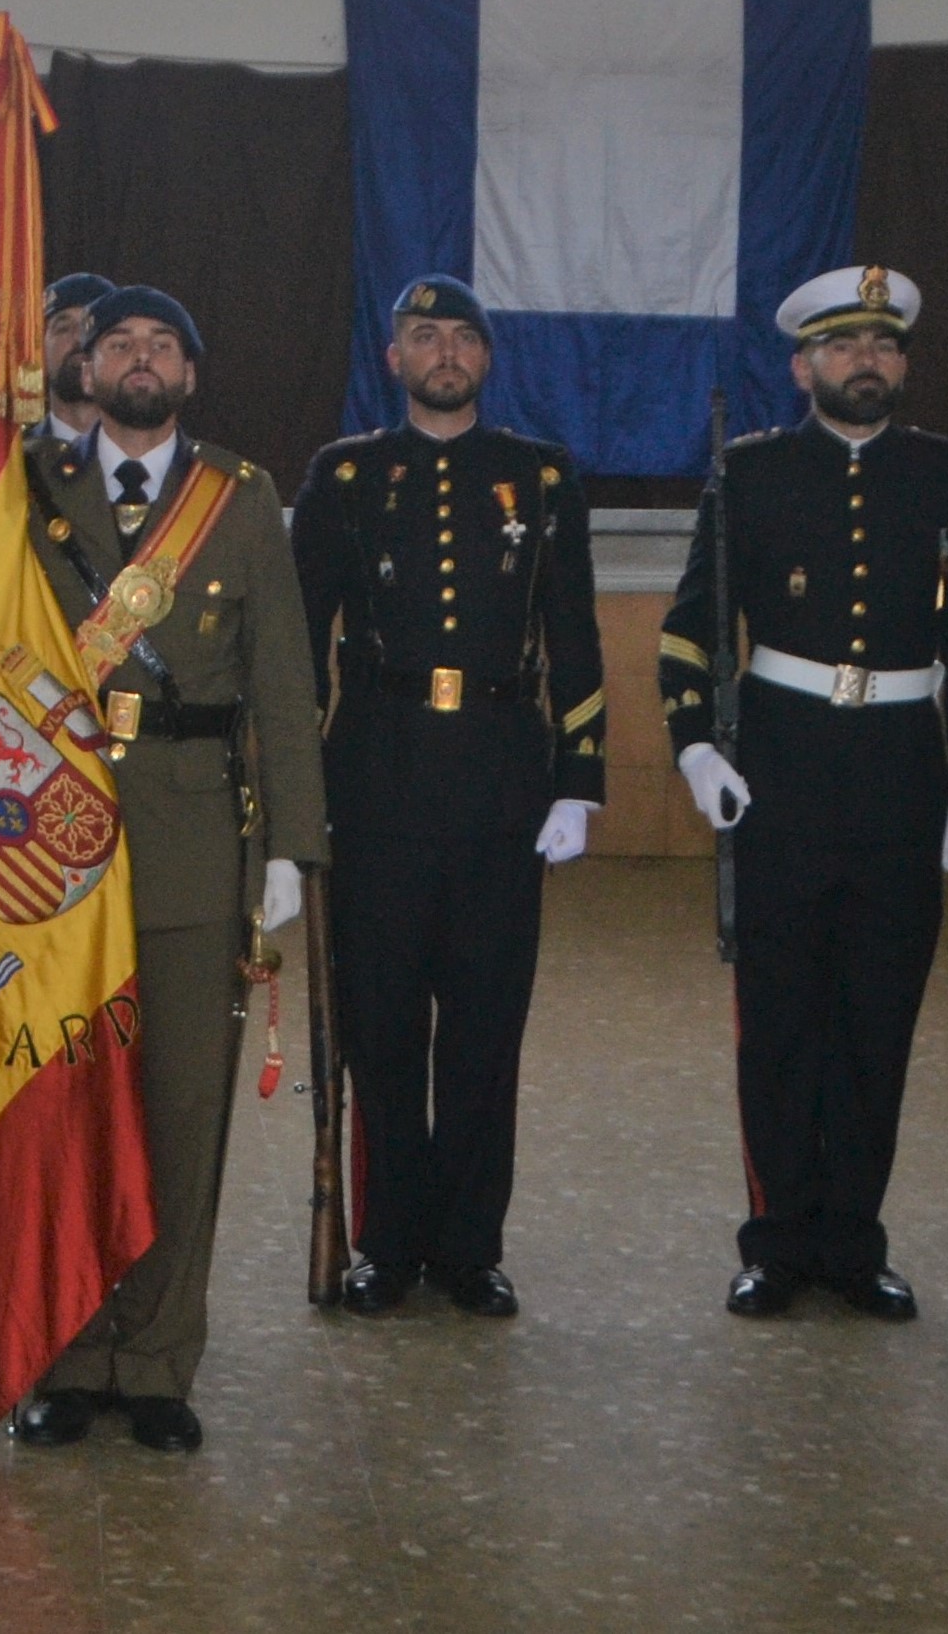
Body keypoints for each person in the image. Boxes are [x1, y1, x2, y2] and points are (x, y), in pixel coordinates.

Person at [0, 285, 313, 1451]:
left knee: (181, 1108)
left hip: (189, 839)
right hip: (46, 845)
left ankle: (162, 1357)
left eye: (160, 345)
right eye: (116, 341)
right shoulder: (25, 486)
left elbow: (281, 675)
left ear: (190, 370)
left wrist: (288, 844)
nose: (137, 360)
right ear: (86, 359)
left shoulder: (240, 495)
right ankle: (71, 1355)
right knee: (67, 1110)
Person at [661, 266, 948, 1325]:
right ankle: (773, 1242)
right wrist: (693, 751)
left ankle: (853, 1241)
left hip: (901, 766)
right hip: (783, 766)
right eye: (844, 345)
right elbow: (692, 625)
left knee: (875, 1019)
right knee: (778, 1021)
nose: (867, 362)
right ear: (803, 363)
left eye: (885, 345)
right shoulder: (751, 474)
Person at [288, 276, 604, 1317]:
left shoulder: (543, 476)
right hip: (373, 780)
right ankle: (384, 1238)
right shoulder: (342, 477)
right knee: (379, 1031)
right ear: (393, 358)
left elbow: (576, 637)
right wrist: (297, 802)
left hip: (501, 786)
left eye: (462, 336)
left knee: (482, 1031)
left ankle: (469, 1245)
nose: (444, 350)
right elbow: (297, 649)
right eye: (422, 334)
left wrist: (581, 782)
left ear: (484, 357)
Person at [38, 272, 114, 465]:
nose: (80, 339)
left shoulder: (158, 453)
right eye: (63, 328)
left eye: (92, 327)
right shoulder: (10, 460)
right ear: (39, 348)